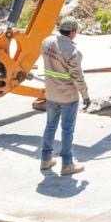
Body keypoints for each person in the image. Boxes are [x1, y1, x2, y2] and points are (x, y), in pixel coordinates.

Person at [40, 17, 90, 175]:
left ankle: (45, 160)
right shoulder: (72, 51)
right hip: (67, 97)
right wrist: (86, 96)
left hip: (51, 94)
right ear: (73, 32)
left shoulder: (46, 42)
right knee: (67, 130)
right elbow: (78, 77)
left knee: (50, 126)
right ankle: (67, 164)